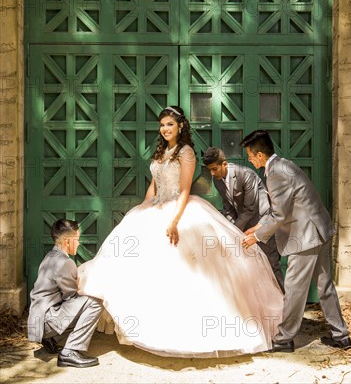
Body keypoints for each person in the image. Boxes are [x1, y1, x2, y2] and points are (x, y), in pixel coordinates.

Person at [78, 107, 283, 358]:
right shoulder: (161, 151)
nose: (165, 129)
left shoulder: (186, 153)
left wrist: (174, 221)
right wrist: (141, 210)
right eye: (162, 125)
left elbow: (185, 190)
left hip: (180, 210)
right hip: (156, 208)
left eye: (170, 125)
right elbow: (153, 188)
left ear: (181, 127)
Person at [240, 129, 351, 352]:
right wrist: (259, 226)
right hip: (319, 229)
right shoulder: (282, 165)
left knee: (294, 288)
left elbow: (280, 215)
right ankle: (342, 336)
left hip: (306, 236)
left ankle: (284, 339)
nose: (250, 160)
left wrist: (257, 237)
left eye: (250, 156)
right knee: (324, 285)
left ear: (260, 155)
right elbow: (280, 209)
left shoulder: (275, 174)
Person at [202, 147, 284, 292]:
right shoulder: (217, 180)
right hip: (244, 228)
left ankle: (287, 307)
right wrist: (227, 228)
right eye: (210, 170)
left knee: (272, 267)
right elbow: (228, 208)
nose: (212, 173)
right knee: (251, 269)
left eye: (214, 169)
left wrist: (233, 231)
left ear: (224, 164)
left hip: (262, 223)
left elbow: (250, 209)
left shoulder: (246, 175)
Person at [28, 219, 103, 368]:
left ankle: (50, 340)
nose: (79, 243)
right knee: (95, 302)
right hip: (47, 321)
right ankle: (71, 351)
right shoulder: (65, 262)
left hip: (36, 321)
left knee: (81, 303)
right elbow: (71, 297)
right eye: (78, 239)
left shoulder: (50, 256)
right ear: (68, 241)